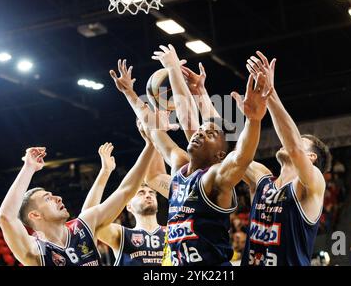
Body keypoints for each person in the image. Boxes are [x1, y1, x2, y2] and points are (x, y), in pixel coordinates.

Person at [110, 45, 273, 265]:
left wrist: (254, 121)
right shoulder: (178, 167)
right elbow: (154, 132)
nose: (199, 132)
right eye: (201, 130)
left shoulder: (215, 178)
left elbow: (241, 156)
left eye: (210, 133)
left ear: (220, 154)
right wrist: (129, 93)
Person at [181, 51, 331, 266]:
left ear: (312, 157)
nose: (288, 141)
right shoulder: (262, 178)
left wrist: (269, 94)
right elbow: (231, 152)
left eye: (300, 139)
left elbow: (294, 147)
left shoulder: (312, 183)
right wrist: (201, 95)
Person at [0, 140, 157, 266]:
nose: (58, 198)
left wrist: (150, 144)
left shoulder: (83, 225)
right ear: (34, 215)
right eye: (48, 198)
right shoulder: (36, 250)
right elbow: (6, 217)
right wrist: (28, 168)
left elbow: (126, 190)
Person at [81, 125, 168, 266]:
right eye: (141, 193)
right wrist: (105, 172)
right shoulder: (121, 235)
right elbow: (89, 218)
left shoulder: (172, 232)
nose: (148, 195)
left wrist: (156, 132)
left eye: (151, 193)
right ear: (128, 206)